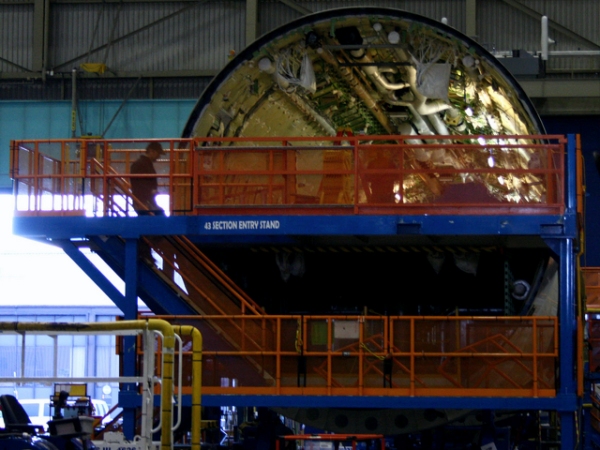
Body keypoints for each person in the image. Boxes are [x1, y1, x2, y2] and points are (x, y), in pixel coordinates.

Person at [130, 142, 166, 216]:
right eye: (158, 154)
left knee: (158, 214)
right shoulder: (142, 164)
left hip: (145, 201)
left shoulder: (142, 163)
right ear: (151, 151)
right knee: (160, 215)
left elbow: (137, 182)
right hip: (144, 201)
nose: (159, 157)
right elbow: (138, 183)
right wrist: (150, 191)